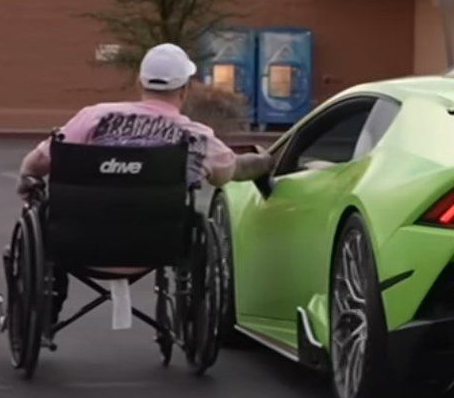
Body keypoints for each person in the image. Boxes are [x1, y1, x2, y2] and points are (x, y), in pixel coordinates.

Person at [14, 43, 273, 324]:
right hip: (159, 246)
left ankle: (46, 310)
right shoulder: (193, 136)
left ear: (140, 82)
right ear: (184, 89)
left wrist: (26, 179)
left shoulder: (94, 117)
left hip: (76, 244)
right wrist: (267, 161)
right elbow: (231, 171)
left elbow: (36, 164)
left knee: (44, 212)